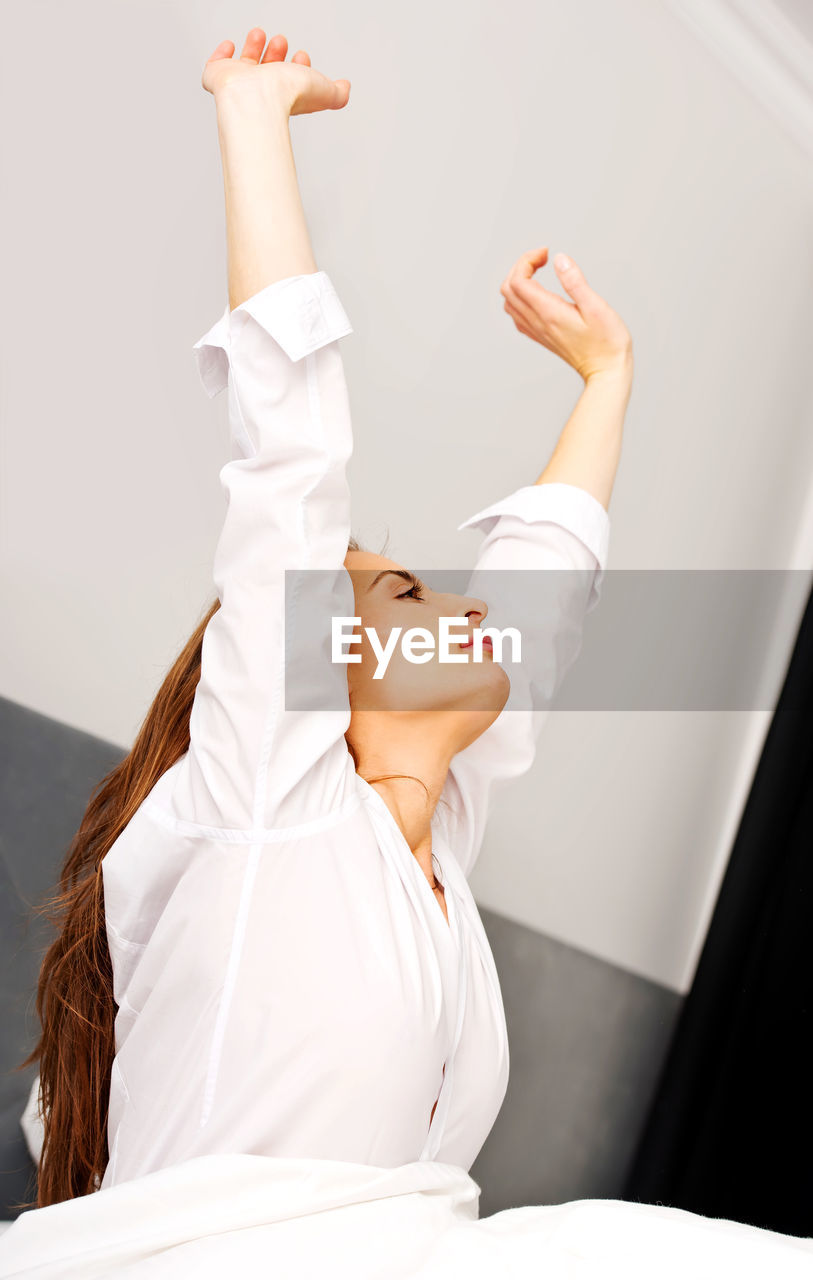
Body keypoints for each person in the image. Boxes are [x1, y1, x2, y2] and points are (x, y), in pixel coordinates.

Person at [6, 27, 811, 1279]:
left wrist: (608, 375)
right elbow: (291, 454)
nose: (458, 609)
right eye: (407, 594)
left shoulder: (429, 839)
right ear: (318, 680)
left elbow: (534, 618)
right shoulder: (270, 793)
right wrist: (253, 112)